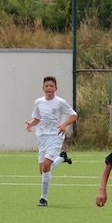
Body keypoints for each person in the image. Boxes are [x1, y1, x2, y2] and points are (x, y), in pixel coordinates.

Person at [25, 76, 77, 206]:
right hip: (42, 137)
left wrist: (64, 125)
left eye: (51, 86)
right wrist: (31, 124)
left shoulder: (60, 102)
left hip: (56, 136)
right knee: (43, 170)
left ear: (56, 88)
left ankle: (43, 198)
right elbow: (37, 118)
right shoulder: (38, 102)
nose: (49, 88)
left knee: (46, 165)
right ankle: (62, 158)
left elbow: (73, 115)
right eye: (46, 86)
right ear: (43, 88)